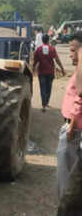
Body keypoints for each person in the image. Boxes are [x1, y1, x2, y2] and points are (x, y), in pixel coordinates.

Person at [57, 31, 82, 215]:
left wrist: (71, 127)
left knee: (67, 181)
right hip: (74, 128)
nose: (70, 54)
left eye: (73, 50)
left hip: (75, 130)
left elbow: (80, 98)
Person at [34, 34, 65, 112]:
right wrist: (62, 69)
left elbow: (35, 61)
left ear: (42, 40)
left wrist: (32, 69)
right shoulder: (52, 49)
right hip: (50, 72)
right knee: (49, 88)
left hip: (41, 72)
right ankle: (46, 102)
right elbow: (57, 59)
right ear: (48, 40)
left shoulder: (38, 49)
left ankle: (44, 105)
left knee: (42, 88)